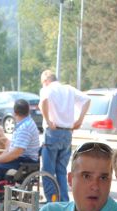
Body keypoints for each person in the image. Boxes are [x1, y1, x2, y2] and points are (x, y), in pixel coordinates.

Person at [39, 69, 91, 202]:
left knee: (48, 172)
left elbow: (43, 102)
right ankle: (63, 201)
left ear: (46, 80)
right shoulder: (69, 89)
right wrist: (79, 120)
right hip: (67, 133)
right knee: (61, 171)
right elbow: (87, 100)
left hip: (53, 132)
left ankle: (52, 202)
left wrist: (48, 120)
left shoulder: (47, 89)